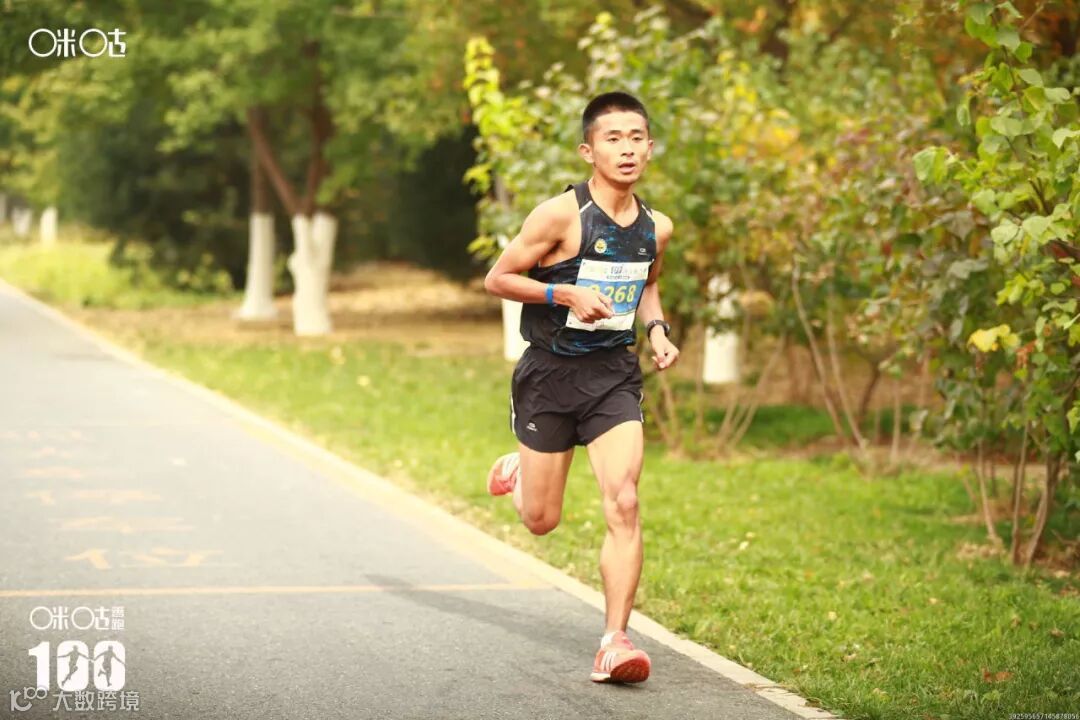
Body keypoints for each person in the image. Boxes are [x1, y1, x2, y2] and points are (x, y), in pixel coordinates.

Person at [483, 91, 679, 684]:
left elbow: (647, 285)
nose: (627, 149)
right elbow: (498, 278)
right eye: (613, 139)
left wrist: (658, 331)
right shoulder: (559, 216)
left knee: (625, 500)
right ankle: (520, 471)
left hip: (612, 376)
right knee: (541, 521)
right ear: (588, 151)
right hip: (548, 375)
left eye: (636, 137)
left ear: (650, 147)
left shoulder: (657, 228)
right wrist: (562, 293)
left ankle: (615, 641)